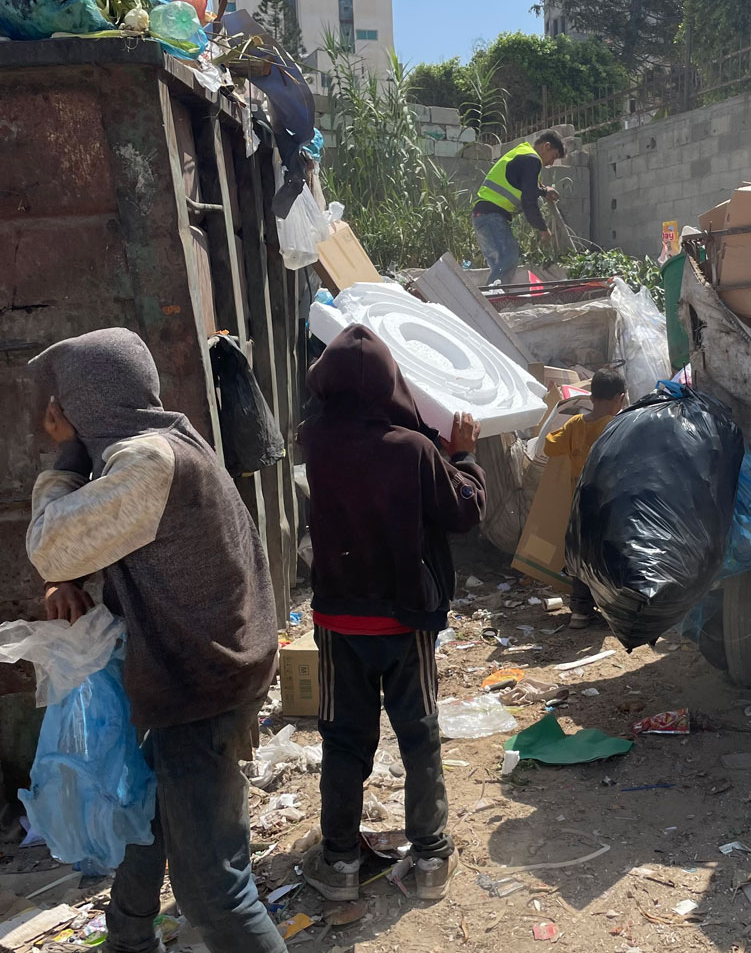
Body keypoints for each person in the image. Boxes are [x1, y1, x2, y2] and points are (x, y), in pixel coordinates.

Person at [25, 328, 283, 953]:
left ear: (92, 402)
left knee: (215, 895)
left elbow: (48, 543)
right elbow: (104, 541)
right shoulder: (164, 440)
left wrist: (65, 458)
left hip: (201, 690)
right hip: (197, 676)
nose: (57, 417)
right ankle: (127, 940)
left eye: (67, 404)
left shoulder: (148, 461)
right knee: (149, 817)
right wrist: (73, 578)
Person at [298, 324, 485, 903]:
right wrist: (466, 456)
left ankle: (340, 865)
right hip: (404, 621)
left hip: (339, 621)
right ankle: (430, 858)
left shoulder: (315, 441)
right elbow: (464, 512)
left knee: (345, 740)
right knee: (419, 735)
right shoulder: (413, 450)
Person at [544, 367, 627, 629]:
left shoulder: (575, 424)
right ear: (620, 399)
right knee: (607, 558)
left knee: (579, 557)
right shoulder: (617, 427)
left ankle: (580, 611)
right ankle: (611, 609)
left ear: (591, 397)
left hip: (579, 504)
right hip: (608, 507)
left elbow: (548, 445)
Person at [472, 130, 566, 286]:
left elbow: (525, 186)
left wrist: (543, 191)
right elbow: (528, 201)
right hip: (491, 216)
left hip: (483, 215)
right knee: (508, 256)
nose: (551, 163)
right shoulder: (533, 160)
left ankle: (495, 299)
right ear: (546, 146)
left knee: (500, 264)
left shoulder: (523, 153)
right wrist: (543, 229)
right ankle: (494, 300)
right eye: (554, 156)